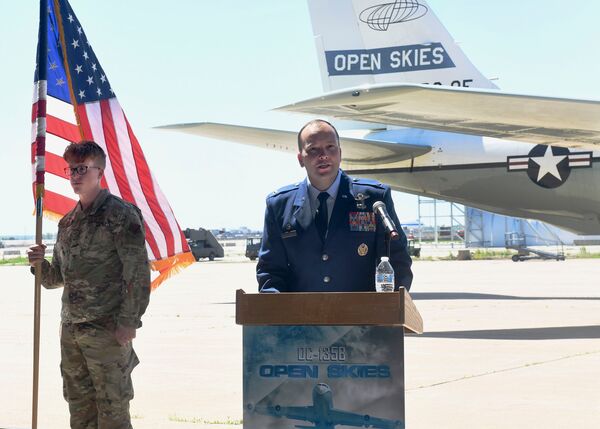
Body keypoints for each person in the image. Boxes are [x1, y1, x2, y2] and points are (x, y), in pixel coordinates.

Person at [27, 141, 150, 429]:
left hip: (107, 330)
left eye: (82, 169)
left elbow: (138, 273)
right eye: (70, 169)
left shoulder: (120, 215)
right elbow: (57, 278)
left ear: (100, 171)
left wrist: (129, 322)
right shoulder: (68, 223)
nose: (74, 176)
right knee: (79, 410)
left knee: (112, 411)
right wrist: (39, 266)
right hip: (72, 333)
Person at [257, 119, 413, 293]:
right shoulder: (279, 205)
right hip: (302, 317)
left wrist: (387, 309)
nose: (323, 155)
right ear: (301, 159)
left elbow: (397, 262)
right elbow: (270, 272)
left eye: (330, 147)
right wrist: (279, 312)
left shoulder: (374, 199)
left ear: (340, 153)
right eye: (313, 149)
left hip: (361, 316)